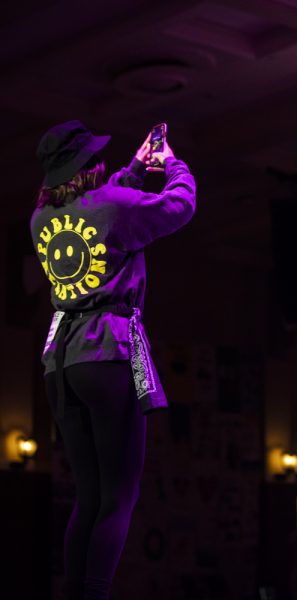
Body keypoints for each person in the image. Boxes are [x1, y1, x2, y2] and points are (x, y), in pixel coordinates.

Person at [31, 120, 196, 600]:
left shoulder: (39, 220)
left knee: (88, 497)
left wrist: (132, 168)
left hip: (61, 361)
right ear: (88, 166)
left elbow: (100, 211)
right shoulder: (114, 207)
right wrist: (169, 165)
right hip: (108, 352)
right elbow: (179, 205)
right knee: (120, 496)